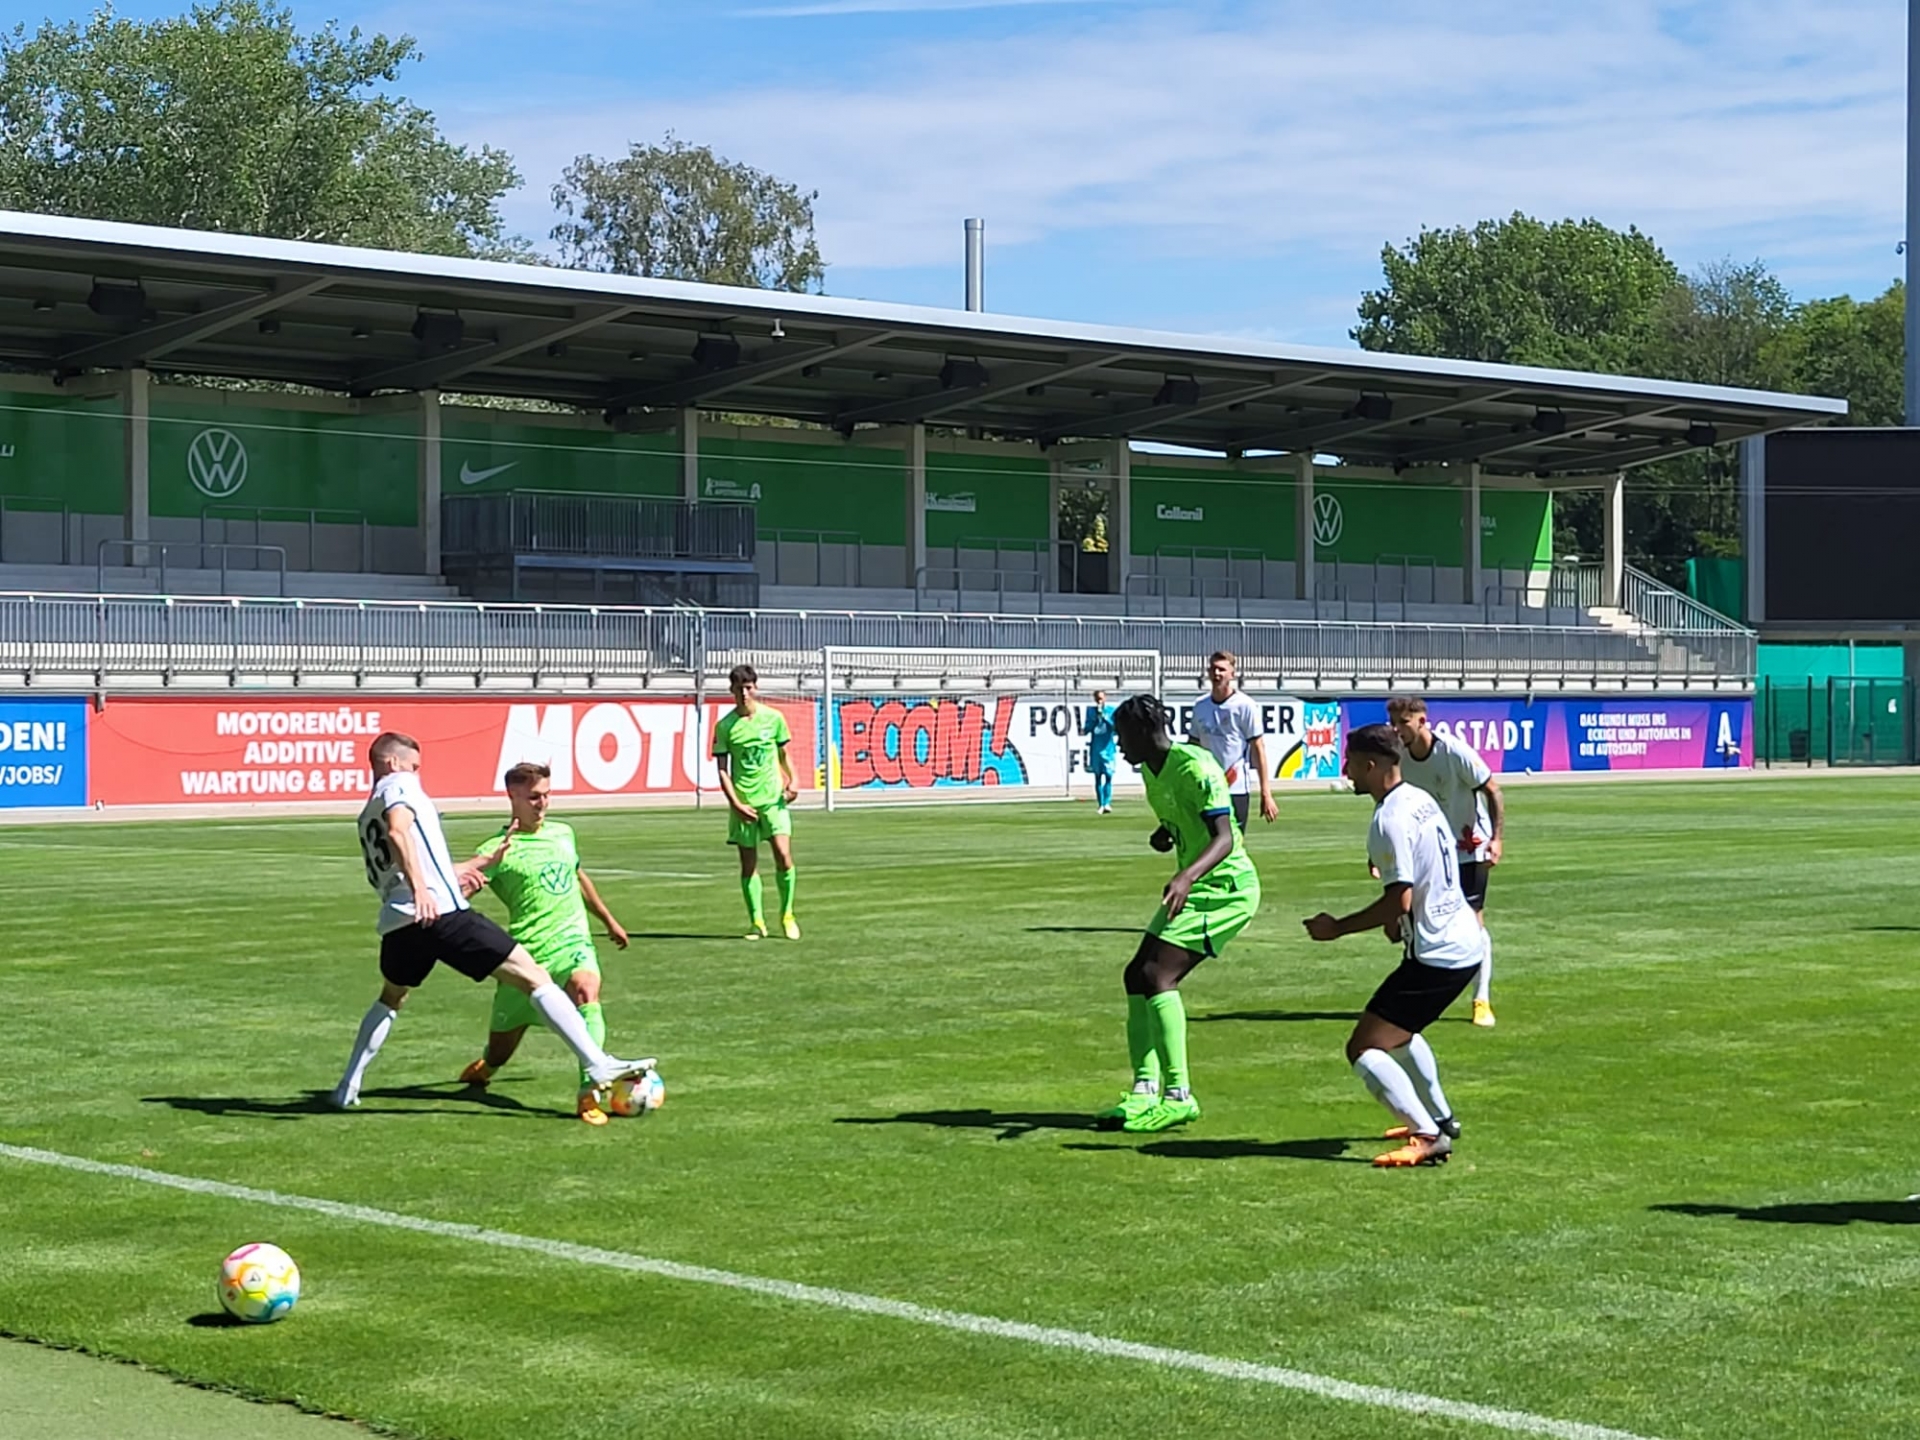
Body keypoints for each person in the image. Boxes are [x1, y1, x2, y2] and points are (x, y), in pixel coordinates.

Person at [334, 732, 653, 1111]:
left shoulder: (366, 810)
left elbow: (414, 861)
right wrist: (423, 890)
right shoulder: (398, 786)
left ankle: (347, 1086)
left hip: (399, 924)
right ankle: (597, 1064)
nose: (417, 775)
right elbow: (398, 831)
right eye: (414, 767)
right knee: (535, 977)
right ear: (393, 763)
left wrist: (479, 865)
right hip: (439, 913)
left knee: (391, 998)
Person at [1303, 724, 1481, 1168]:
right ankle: (1441, 1117)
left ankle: (1428, 1135)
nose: (1345, 769)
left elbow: (1397, 898)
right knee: (1399, 1034)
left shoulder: (1389, 818)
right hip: (1461, 940)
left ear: (1370, 764)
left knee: (1363, 1047)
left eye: (1350, 761)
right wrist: (1400, 919)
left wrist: (1337, 928)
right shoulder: (1419, 799)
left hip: (1437, 955)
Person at [1095, 695, 1262, 1134]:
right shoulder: (1152, 771)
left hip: (1225, 888)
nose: (1120, 744)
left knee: (1157, 977)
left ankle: (1178, 1096)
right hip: (1198, 885)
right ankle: (1145, 1090)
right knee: (1136, 975)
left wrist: (1186, 876)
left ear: (1144, 731)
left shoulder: (1196, 767)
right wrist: (1163, 834)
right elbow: (1180, 813)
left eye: (1123, 735)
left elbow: (1224, 837)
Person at [456, 762, 636, 1126]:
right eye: (534, 796)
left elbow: (577, 876)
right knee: (502, 1048)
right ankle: (487, 1066)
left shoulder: (563, 834)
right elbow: (465, 887)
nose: (543, 803)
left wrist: (609, 920)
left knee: (587, 990)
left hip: (573, 943)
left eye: (547, 795)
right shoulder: (497, 848)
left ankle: (589, 1092)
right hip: (527, 959)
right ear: (513, 796)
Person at [1385, 697, 1505, 1028]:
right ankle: (1418, 995)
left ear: (1422, 721)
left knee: (1472, 922)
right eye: (1393, 722)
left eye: (1403, 723)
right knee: (1416, 923)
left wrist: (1496, 839)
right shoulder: (1401, 760)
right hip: (1431, 852)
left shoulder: (1453, 752)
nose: (1397, 729)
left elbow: (1492, 790)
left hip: (1469, 848)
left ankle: (1481, 999)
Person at [713, 664, 800, 941]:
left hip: (773, 800)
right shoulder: (725, 726)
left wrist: (794, 780)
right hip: (745, 803)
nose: (744, 693)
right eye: (739, 689)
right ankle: (757, 923)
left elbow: (784, 754)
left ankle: (787, 915)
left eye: (748, 688)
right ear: (731, 691)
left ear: (756, 688)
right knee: (748, 865)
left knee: (783, 856)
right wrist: (736, 804)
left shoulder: (774, 718)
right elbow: (723, 770)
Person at [1187, 651, 1278, 830]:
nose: (1217, 673)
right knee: (1206, 844)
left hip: (1235, 788)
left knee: (1232, 845)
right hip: (1207, 788)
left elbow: (1258, 749)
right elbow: (1193, 748)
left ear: (1232, 674)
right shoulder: (1200, 705)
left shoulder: (1245, 706)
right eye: (1213, 669)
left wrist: (1266, 793)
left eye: (1221, 669)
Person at [1086, 690, 1117, 814]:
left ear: (1105, 698)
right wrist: (1095, 720)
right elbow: (1086, 728)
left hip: (1108, 748)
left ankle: (1107, 803)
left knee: (1109, 776)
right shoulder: (1090, 711)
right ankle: (1101, 804)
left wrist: (1105, 717)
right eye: (1097, 699)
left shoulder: (1111, 711)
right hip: (1096, 748)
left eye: (1101, 698)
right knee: (1098, 777)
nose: (1100, 701)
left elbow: (1115, 728)